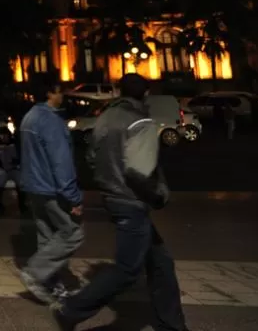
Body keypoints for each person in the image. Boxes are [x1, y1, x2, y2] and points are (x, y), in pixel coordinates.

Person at [51, 74, 188, 331]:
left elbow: (91, 157)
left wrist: (107, 182)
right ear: (145, 93)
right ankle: (72, 309)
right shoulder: (141, 121)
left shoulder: (105, 118)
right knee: (128, 269)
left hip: (113, 196)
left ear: (118, 90)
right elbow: (139, 170)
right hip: (131, 201)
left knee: (161, 263)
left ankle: (171, 325)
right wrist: (159, 195)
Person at [18, 80, 84, 303]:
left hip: (34, 186)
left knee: (46, 237)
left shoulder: (29, 118)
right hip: (51, 187)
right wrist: (73, 197)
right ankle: (36, 272)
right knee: (72, 233)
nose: (62, 96)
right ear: (49, 93)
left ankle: (53, 286)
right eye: (59, 92)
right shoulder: (51, 122)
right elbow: (61, 163)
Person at [0, 126, 26, 216]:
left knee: (20, 178)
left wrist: (14, 161)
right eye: (2, 135)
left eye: (5, 135)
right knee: (2, 176)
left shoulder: (14, 144)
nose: (4, 137)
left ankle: (22, 204)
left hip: (12, 169)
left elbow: (19, 158)